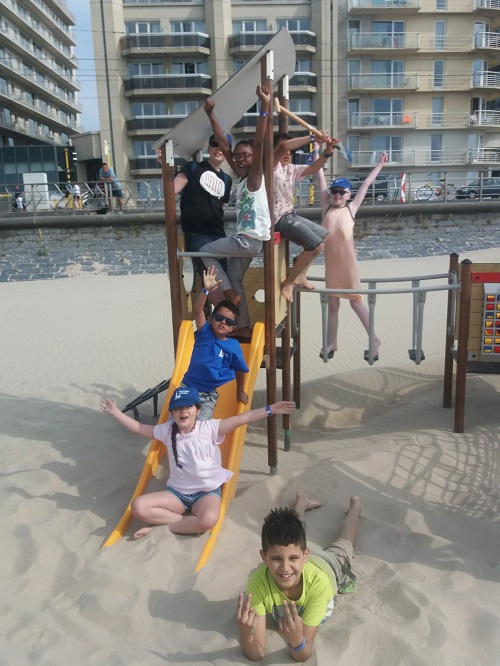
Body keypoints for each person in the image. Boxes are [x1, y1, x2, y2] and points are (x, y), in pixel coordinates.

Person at [100, 387, 295, 539]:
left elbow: (241, 418)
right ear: (172, 412)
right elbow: (138, 428)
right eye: (177, 408)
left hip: (206, 493)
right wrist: (115, 412)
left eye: (188, 407)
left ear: (197, 410)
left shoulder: (208, 428)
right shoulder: (167, 430)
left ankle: (166, 526)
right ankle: (183, 522)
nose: (183, 411)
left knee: (209, 519)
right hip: (177, 494)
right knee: (138, 507)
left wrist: (270, 409)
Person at [236, 492, 361, 661]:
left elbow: (303, 653)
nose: (285, 568)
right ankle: (302, 502)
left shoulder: (318, 585)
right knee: (294, 533)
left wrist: (296, 641)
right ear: (264, 557)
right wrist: (246, 635)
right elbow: (256, 654)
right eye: (276, 559)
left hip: (329, 566)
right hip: (301, 563)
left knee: (344, 543)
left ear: (305, 555)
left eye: (293, 558)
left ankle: (355, 508)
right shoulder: (256, 584)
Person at [200, 84, 272, 339]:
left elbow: (261, 142)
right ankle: (243, 325)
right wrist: (211, 116)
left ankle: (229, 294)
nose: (240, 159)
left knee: (204, 251)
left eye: (246, 155)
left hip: (248, 240)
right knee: (234, 276)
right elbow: (224, 145)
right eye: (238, 156)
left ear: (254, 159)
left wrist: (265, 106)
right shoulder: (242, 179)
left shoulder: (255, 178)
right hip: (249, 242)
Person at [317, 152, 388, 361]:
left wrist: (380, 165)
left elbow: (366, 184)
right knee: (332, 303)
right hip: (331, 266)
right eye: (334, 192)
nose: (337, 195)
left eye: (341, 192)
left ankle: (374, 339)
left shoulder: (350, 209)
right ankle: (332, 342)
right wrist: (317, 154)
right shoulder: (325, 209)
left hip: (348, 267)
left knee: (356, 302)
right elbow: (320, 178)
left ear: (348, 195)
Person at [273, 133, 337, 302]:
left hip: (289, 214)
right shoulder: (269, 167)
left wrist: (328, 151)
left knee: (323, 234)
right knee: (315, 246)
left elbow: (313, 168)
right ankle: (289, 282)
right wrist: (312, 138)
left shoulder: (290, 169)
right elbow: (283, 147)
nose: (288, 153)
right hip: (277, 218)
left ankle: (300, 275)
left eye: (291, 151)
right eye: (286, 150)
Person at [181, 266, 249, 420]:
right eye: (219, 318)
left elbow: (240, 370)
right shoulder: (205, 333)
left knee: (202, 429)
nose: (223, 322)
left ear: (233, 328)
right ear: (212, 319)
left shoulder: (233, 346)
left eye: (228, 321)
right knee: (178, 425)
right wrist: (206, 290)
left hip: (208, 395)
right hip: (188, 387)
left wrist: (240, 391)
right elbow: (198, 310)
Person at [173, 133, 233, 280]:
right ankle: (219, 302)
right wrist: (164, 165)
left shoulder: (227, 179)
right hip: (197, 233)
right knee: (210, 278)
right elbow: (171, 190)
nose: (218, 149)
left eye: (223, 146)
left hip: (218, 234)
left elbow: (220, 206)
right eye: (215, 144)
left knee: (222, 278)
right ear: (209, 147)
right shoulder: (192, 167)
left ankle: (222, 303)